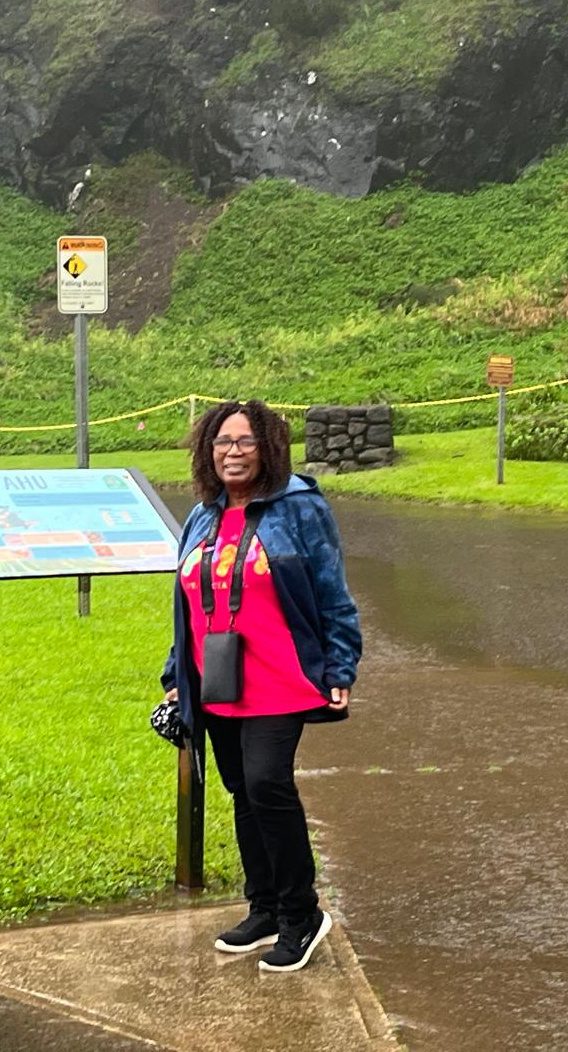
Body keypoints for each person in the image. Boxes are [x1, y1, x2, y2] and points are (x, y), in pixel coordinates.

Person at [160, 398, 362, 973]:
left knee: (270, 784)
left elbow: (332, 592)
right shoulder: (202, 514)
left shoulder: (299, 508)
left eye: (245, 442)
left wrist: (341, 665)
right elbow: (189, 603)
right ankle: (265, 907)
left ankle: (303, 914)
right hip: (217, 678)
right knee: (243, 792)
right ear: (207, 450)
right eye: (223, 442)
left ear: (268, 447)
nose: (233, 453)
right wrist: (179, 677)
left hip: (281, 675)